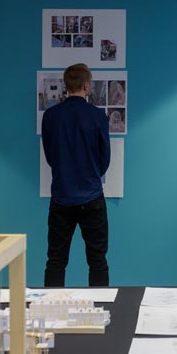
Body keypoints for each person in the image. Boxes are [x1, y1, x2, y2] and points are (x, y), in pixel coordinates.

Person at [41, 63, 111, 287]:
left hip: (61, 196)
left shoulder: (50, 116)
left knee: (56, 261)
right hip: (92, 197)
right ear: (87, 85)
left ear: (66, 85)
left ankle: (50, 308)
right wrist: (91, 174)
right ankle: (101, 306)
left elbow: (50, 155)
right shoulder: (97, 116)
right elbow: (105, 158)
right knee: (97, 261)